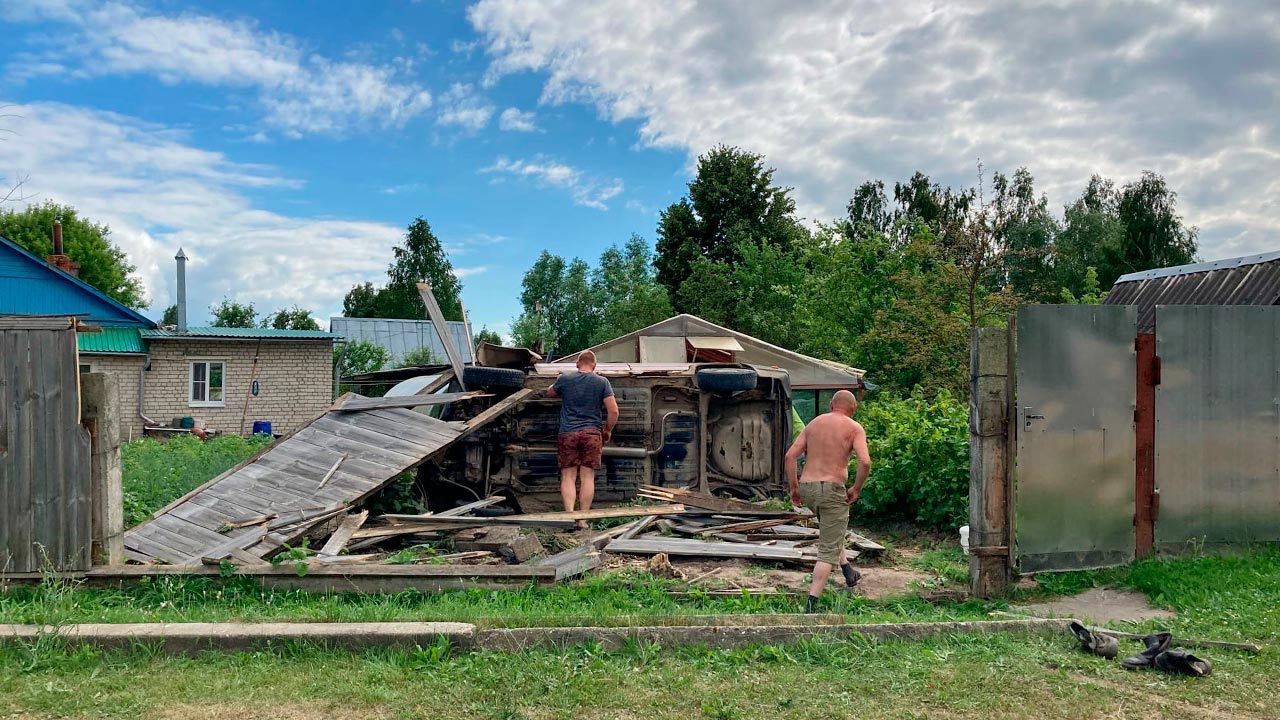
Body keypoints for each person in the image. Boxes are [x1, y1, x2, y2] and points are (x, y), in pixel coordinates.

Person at [786, 389, 872, 612]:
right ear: (853, 409)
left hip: (808, 488)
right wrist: (856, 488)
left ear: (832, 405)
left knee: (831, 530)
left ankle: (847, 571)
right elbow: (865, 462)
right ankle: (811, 604)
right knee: (827, 550)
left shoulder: (814, 423)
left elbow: (790, 456)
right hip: (832, 489)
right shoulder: (854, 428)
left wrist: (794, 487)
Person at [546, 350, 619, 529]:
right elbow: (614, 411)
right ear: (594, 366)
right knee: (587, 477)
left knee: (568, 476)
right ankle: (582, 520)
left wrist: (559, 379)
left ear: (577, 365)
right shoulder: (602, 382)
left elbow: (550, 393)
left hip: (568, 433)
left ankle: (570, 517)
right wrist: (607, 430)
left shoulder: (565, 378)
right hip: (592, 434)